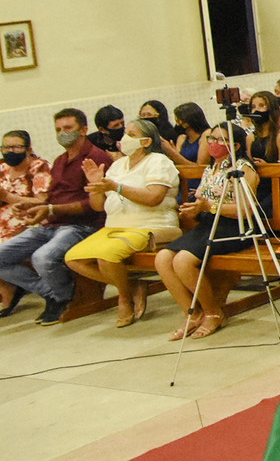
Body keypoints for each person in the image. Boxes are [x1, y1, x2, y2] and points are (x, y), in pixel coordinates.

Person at [65, 120, 180, 328]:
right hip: (114, 226)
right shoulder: (118, 165)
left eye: (131, 134)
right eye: (125, 133)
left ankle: (124, 298)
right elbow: (98, 206)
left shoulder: (159, 161)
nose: (124, 138)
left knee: (106, 256)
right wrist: (96, 185)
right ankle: (130, 286)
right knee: (73, 258)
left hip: (150, 225)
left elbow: (153, 198)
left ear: (145, 141)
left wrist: (116, 187)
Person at [0, 109, 111, 325]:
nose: (62, 133)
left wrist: (50, 209)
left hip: (82, 226)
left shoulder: (96, 158)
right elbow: (50, 197)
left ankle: (64, 298)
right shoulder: (61, 160)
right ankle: (53, 294)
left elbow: (93, 205)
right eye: (58, 129)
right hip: (52, 224)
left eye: (68, 128)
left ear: (83, 130)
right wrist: (32, 208)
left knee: (42, 258)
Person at [153, 123, 259, 340]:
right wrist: (194, 210)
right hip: (209, 225)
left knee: (182, 261)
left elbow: (246, 210)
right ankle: (191, 314)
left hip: (235, 227)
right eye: (211, 138)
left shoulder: (243, 169)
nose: (213, 143)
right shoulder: (211, 168)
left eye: (221, 140)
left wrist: (209, 207)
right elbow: (204, 203)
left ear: (235, 145)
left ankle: (213, 312)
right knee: (162, 258)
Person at [0, 131, 53, 317]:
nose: (10, 151)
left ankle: (17, 289)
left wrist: (7, 196)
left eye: (15, 147)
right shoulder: (2, 167)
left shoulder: (39, 167)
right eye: (5, 147)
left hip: (30, 220)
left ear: (28, 149)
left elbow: (42, 201)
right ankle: (10, 287)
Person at [168, 102, 212, 169]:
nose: (177, 125)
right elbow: (177, 164)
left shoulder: (206, 135)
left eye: (178, 121)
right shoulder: (181, 138)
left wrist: (173, 154)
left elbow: (201, 167)